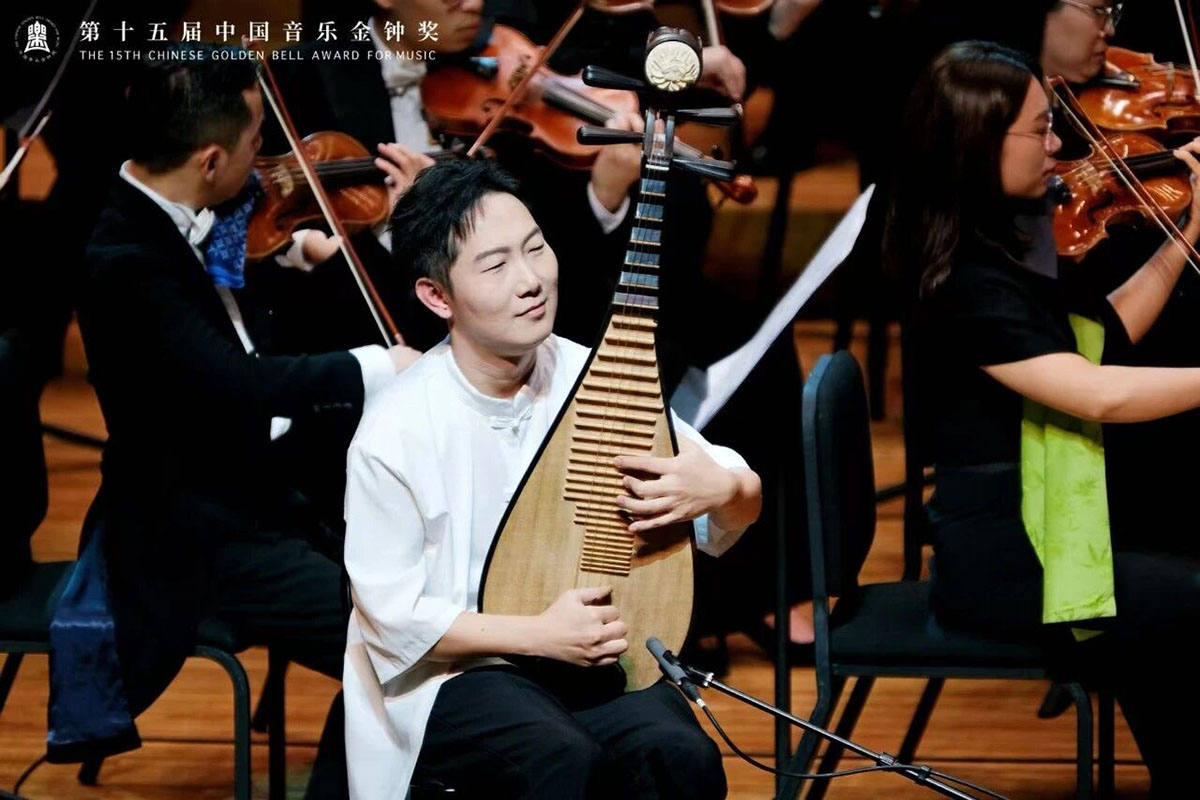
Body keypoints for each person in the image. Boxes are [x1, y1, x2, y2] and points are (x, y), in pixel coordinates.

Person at [342, 158, 762, 798]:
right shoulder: (395, 430)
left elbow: (731, 490)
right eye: (495, 266)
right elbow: (391, 617)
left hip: (586, 653)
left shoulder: (591, 376)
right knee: (561, 761)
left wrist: (727, 490)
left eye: (535, 248)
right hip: (454, 671)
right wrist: (539, 635)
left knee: (681, 756)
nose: (531, 279)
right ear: (437, 297)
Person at [67, 44, 415, 794]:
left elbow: (219, 279)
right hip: (201, 534)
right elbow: (235, 383)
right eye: (258, 139)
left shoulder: (177, 205)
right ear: (211, 159)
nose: (270, 159)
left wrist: (287, 258)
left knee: (419, 585)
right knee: (397, 644)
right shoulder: (122, 261)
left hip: (268, 486)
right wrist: (376, 368)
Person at [887, 40, 1200, 796]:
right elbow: (1095, 395)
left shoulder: (1008, 234)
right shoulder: (960, 278)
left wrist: (1190, 232)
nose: (1059, 144)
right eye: (1040, 128)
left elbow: (1103, 336)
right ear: (979, 142)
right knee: (1184, 600)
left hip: (1053, 517)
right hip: (1006, 553)